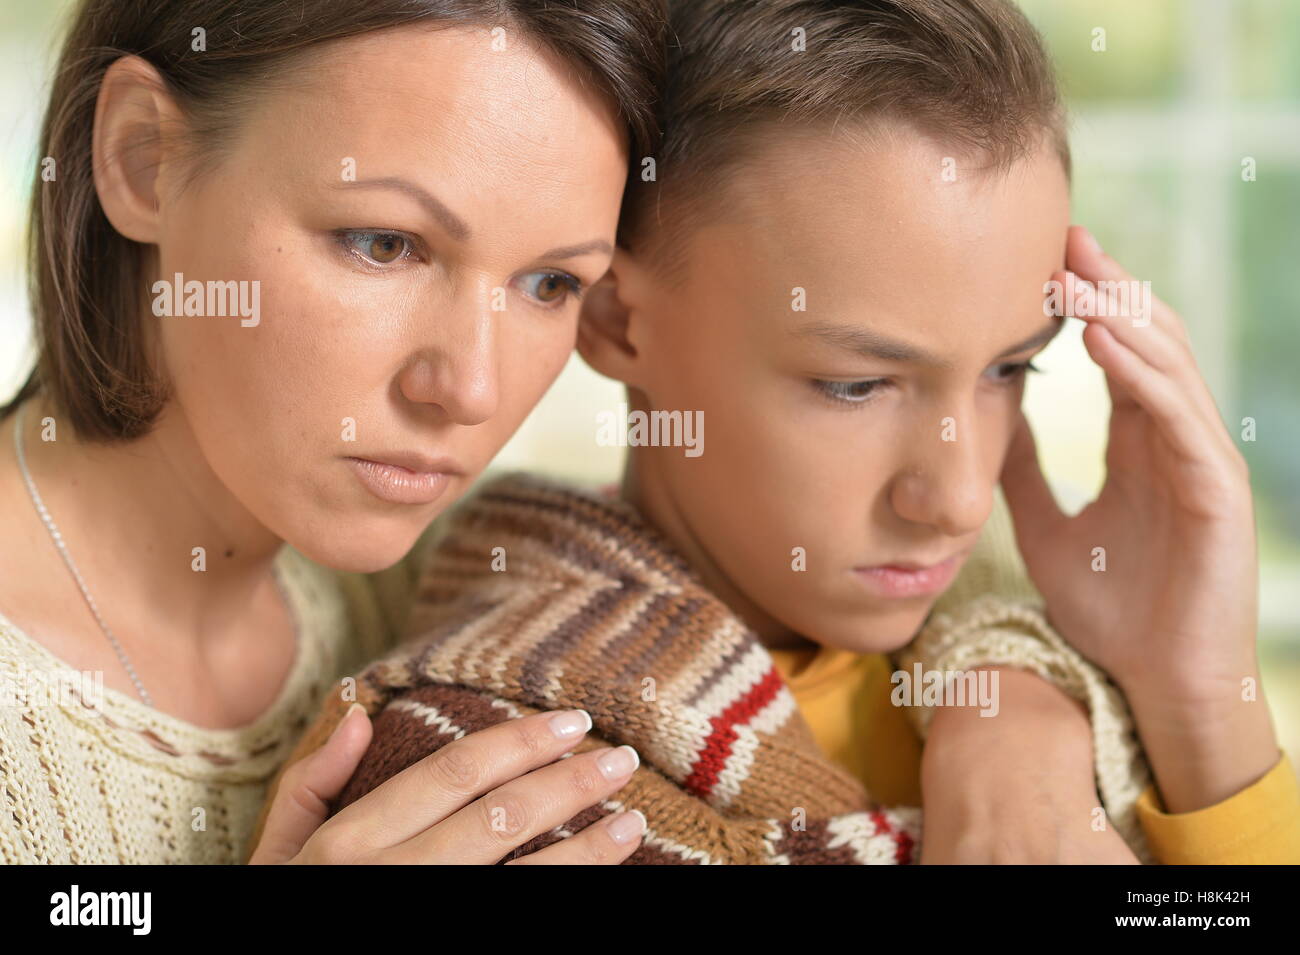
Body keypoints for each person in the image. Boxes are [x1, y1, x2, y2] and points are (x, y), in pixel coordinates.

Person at [265, 0, 1300, 863]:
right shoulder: (482, 780)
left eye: (1007, 368)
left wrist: (1200, 696)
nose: (953, 495)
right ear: (615, 318)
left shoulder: (1061, 679)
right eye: (856, 384)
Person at [0, 0, 669, 865]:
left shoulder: (458, 609)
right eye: (384, 243)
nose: (470, 388)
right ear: (142, 158)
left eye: (549, 284)